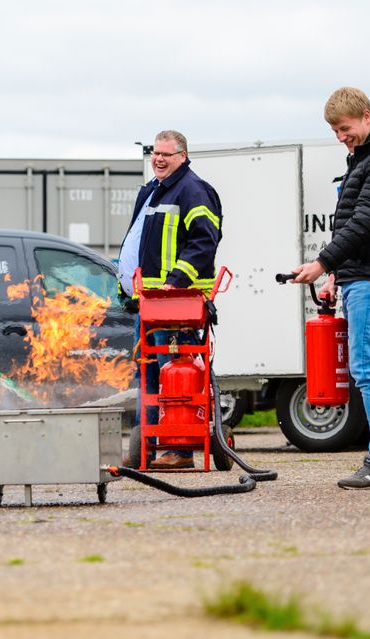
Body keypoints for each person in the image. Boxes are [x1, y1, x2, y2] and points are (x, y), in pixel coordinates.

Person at [292, 87, 370, 490]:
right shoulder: (368, 158)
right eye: (335, 131)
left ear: (366, 116)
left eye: (345, 128)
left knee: (368, 371)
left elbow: (364, 222)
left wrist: (324, 262)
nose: (342, 136)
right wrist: (335, 276)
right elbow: (353, 226)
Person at [118, 130, 222, 470]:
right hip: (148, 303)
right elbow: (137, 241)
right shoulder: (152, 191)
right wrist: (128, 289)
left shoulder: (193, 190)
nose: (159, 159)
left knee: (173, 373)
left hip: (177, 306)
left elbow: (204, 241)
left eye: (167, 153)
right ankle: (147, 446)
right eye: (155, 153)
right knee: (148, 375)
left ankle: (180, 450)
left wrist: (175, 282)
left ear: (183, 155)